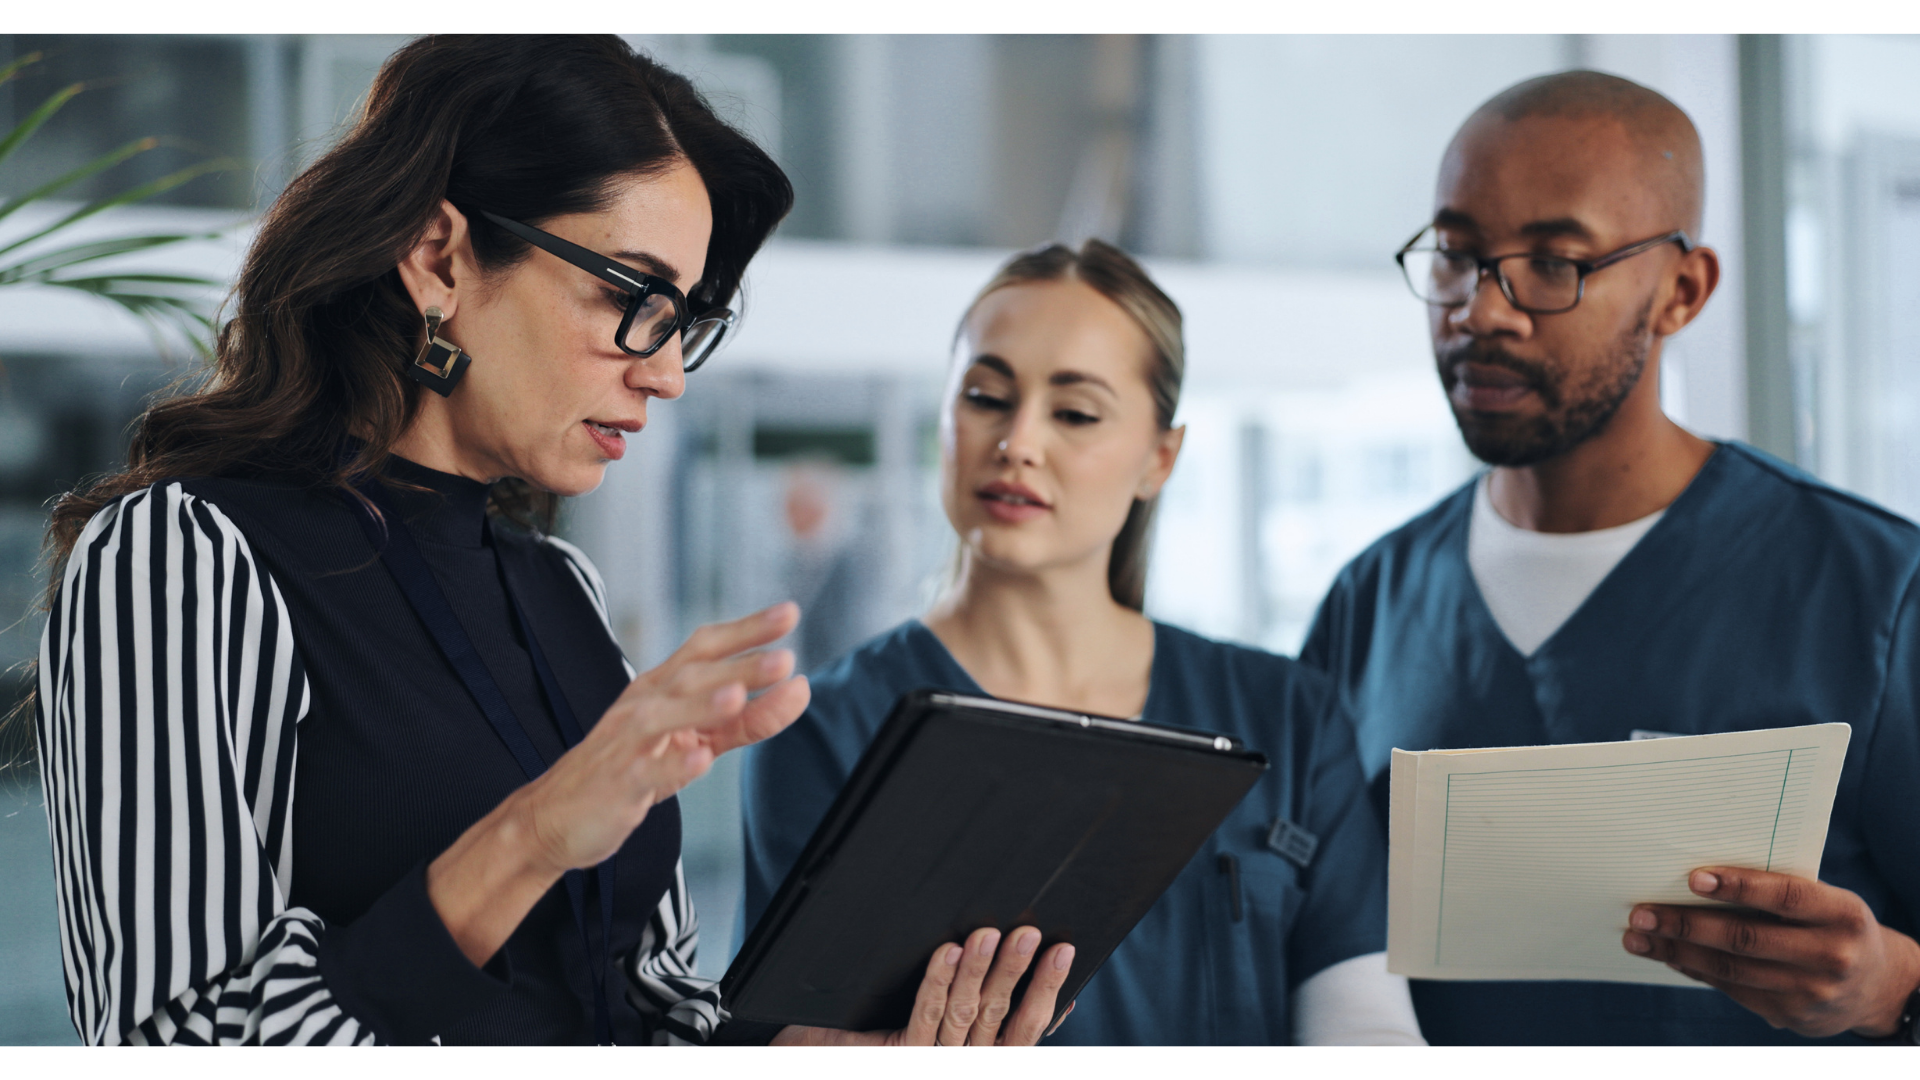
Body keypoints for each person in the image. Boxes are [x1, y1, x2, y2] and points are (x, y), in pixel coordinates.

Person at [29, 34, 1067, 1047]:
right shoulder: (182, 556)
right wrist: (528, 837)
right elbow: (176, 1031)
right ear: (440, 257)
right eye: (631, 296)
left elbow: (639, 990)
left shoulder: (557, 585)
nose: (665, 372)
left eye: (686, 319)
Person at [1301, 70, 1920, 1046]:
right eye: (1459, 255)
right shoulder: (1369, 604)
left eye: (1554, 261)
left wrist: (1898, 992)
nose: (1481, 310)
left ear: (1682, 291)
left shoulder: (1878, 592)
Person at [741, 239, 1428, 1046]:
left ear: (1159, 460)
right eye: (987, 396)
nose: (1019, 442)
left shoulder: (1286, 715)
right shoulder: (824, 730)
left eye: (1074, 413)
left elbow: (1360, 1014)